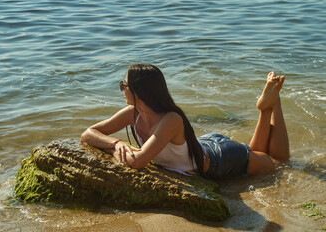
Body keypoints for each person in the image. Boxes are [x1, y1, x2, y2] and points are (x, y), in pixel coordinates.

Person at [80, 64, 289, 179]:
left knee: (279, 162)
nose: (121, 89)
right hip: (203, 146)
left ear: (140, 90)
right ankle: (265, 109)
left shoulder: (171, 119)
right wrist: (116, 143)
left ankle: (273, 103)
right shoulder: (131, 113)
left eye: (123, 85)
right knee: (256, 153)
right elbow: (88, 133)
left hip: (220, 157)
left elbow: (138, 161)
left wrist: (123, 150)